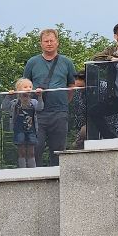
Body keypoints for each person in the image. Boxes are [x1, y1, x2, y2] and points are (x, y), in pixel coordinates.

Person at [23, 29, 75, 164]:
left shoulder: (67, 62)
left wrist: (64, 102)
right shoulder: (32, 62)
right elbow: (25, 85)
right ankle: (36, 175)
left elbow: (71, 85)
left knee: (58, 150)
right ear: (41, 43)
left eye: (52, 40)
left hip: (59, 112)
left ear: (57, 42)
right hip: (37, 112)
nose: (49, 43)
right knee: (36, 148)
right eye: (46, 41)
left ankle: (57, 175)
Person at [10, 78, 42, 168]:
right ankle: (23, 170)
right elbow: (3, 107)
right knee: (21, 151)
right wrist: (8, 96)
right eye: (25, 87)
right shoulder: (15, 103)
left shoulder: (33, 102)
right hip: (19, 130)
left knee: (31, 152)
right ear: (18, 89)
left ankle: (32, 170)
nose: (28, 89)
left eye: (30, 87)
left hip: (31, 130)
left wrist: (40, 97)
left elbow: (40, 108)